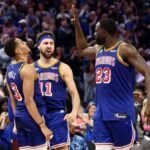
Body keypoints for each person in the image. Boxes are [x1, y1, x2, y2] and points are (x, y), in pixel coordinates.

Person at [72, 5, 150, 150]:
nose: (94, 34)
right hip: (101, 114)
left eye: (96, 31)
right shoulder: (98, 49)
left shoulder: (124, 49)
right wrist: (77, 25)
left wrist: (149, 100)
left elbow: (147, 71)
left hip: (120, 111)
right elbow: (82, 49)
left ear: (105, 32)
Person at [34, 31, 80, 150]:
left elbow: (74, 93)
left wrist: (74, 112)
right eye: (45, 43)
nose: (49, 46)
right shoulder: (31, 69)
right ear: (38, 45)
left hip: (56, 114)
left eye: (51, 43)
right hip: (37, 115)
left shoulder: (63, 67)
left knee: (61, 148)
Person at [4, 38, 53, 150]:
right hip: (33, 117)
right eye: (22, 42)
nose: (25, 42)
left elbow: (12, 99)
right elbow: (29, 101)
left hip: (20, 117)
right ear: (18, 51)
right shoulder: (27, 69)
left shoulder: (10, 68)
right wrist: (42, 125)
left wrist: (16, 119)